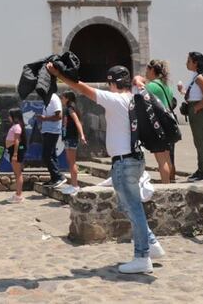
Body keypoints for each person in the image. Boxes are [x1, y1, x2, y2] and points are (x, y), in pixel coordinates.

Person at [47, 62, 165, 274]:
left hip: (124, 162)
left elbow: (82, 88)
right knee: (130, 206)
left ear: (113, 83)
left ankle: (142, 256)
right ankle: (152, 244)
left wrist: (59, 75)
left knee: (134, 209)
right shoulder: (135, 97)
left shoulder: (116, 99)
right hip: (136, 160)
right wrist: (138, 80)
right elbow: (141, 81)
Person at [180, 52, 203, 183]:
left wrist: (195, 109)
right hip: (195, 109)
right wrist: (182, 91)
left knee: (201, 142)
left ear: (196, 63)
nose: (186, 63)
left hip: (199, 111)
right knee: (198, 142)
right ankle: (201, 169)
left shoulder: (200, 77)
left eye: (189, 61)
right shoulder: (195, 77)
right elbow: (193, 95)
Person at [144, 60, 176, 183]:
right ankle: (170, 182)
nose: (146, 72)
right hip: (168, 123)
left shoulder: (151, 86)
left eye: (147, 69)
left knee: (161, 159)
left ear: (152, 70)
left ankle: (165, 184)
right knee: (167, 157)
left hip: (158, 125)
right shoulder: (165, 85)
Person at [37, 90, 65, 188]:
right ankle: (54, 178)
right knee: (52, 155)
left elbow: (59, 116)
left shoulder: (54, 98)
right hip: (47, 130)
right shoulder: (47, 99)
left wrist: (45, 118)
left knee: (46, 155)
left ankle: (59, 177)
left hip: (53, 131)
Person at [61, 91, 87, 192]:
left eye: (62, 97)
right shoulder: (67, 109)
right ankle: (73, 184)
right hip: (68, 137)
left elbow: (77, 122)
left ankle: (75, 185)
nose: (61, 99)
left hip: (71, 137)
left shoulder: (70, 109)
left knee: (72, 162)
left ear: (67, 98)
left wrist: (82, 135)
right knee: (70, 161)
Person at [4, 107, 28, 203]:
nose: (8, 117)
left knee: (18, 174)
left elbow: (17, 141)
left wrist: (15, 154)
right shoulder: (15, 126)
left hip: (15, 151)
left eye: (10, 116)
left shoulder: (17, 127)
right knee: (16, 173)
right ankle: (17, 194)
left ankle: (19, 195)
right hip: (12, 150)